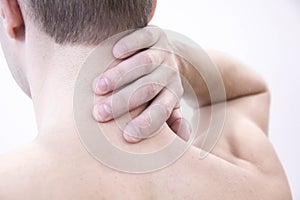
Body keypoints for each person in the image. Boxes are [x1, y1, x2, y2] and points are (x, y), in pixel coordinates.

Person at [0, 0, 291, 199]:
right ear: (151, 5)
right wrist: (180, 60)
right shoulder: (257, 183)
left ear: (11, 10)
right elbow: (247, 91)